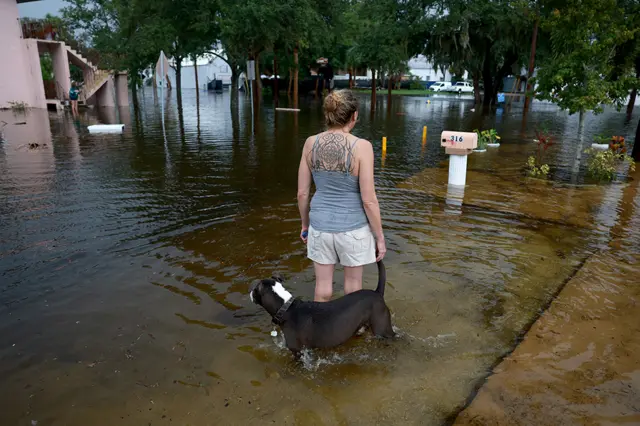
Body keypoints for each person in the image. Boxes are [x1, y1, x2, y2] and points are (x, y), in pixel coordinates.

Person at [297, 89, 386, 302]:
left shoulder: (310, 143)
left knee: (323, 288)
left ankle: (322, 331)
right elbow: (369, 200)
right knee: (353, 289)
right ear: (354, 116)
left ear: (328, 115)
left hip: (320, 227)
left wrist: (305, 225)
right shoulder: (362, 147)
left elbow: (302, 193)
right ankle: (352, 332)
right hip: (354, 229)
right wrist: (379, 237)